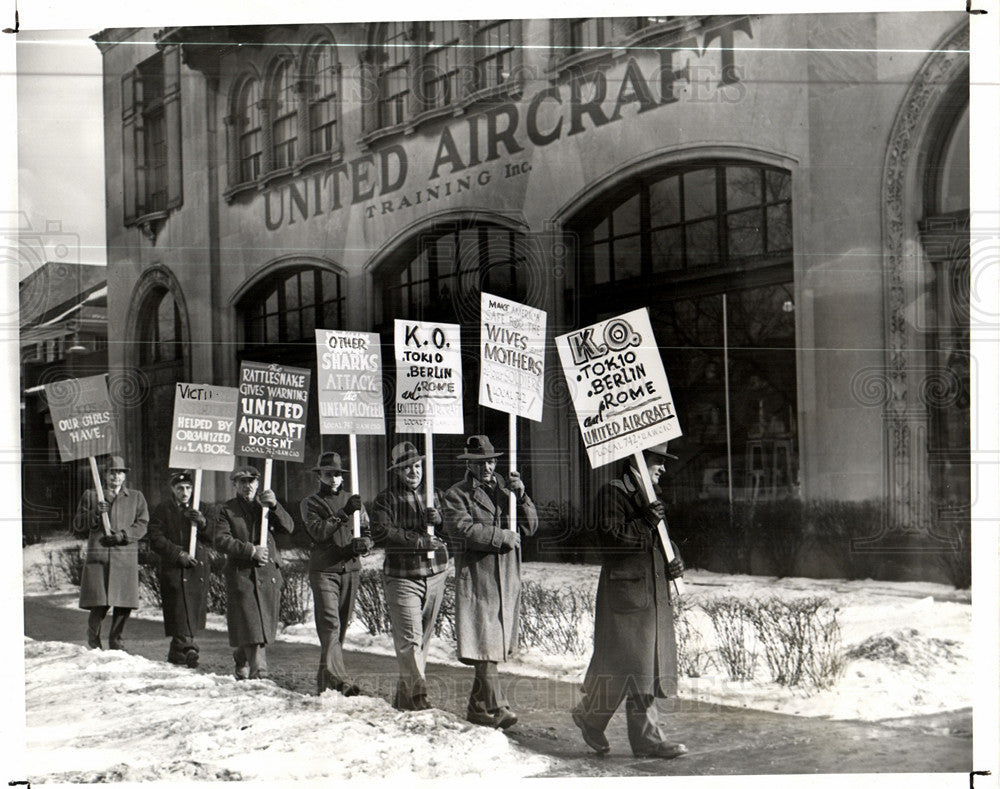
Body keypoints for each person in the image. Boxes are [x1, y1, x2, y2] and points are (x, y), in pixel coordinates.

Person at [571, 443, 687, 759]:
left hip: (647, 594)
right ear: (638, 460)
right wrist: (646, 523)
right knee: (633, 667)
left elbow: (662, 542)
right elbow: (612, 541)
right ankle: (646, 738)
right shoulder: (614, 493)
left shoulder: (649, 498)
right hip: (625, 596)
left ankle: (592, 717)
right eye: (657, 461)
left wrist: (674, 558)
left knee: (634, 668)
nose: (662, 468)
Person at [442, 435, 538, 729]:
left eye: (491, 460)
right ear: (469, 463)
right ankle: (498, 706)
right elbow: (461, 530)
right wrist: (501, 537)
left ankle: (477, 708)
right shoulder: (456, 494)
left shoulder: (507, 490)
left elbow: (531, 527)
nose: (487, 466)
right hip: (478, 576)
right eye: (480, 462)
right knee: (484, 642)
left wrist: (521, 497)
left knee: (492, 644)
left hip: (506, 576)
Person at [370, 441, 449, 711]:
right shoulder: (386, 499)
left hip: (436, 574)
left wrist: (440, 521)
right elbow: (381, 533)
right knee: (409, 641)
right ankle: (419, 698)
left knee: (421, 641)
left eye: (417, 466)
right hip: (403, 577)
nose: (414, 472)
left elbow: (452, 532)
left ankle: (404, 700)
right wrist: (418, 541)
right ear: (397, 471)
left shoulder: (435, 495)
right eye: (407, 468)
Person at [300, 451, 372, 696]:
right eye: (329, 474)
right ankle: (342, 682)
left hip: (350, 570)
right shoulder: (311, 503)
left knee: (339, 630)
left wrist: (364, 545)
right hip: (324, 571)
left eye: (338, 475)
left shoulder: (353, 499)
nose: (333, 479)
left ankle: (324, 685)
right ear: (319, 475)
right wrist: (343, 514)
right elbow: (318, 532)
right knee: (330, 625)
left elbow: (367, 530)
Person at [214, 465, 294, 680]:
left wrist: (275, 506)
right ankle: (260, 675)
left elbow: (289, 527)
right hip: (242, 574)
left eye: (251, 481)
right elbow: (221, 540)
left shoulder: (266, 506)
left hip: (268, 572)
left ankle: (241, 656)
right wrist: (250, 550)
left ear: (258, 483)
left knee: (262, 625)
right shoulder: (227, 510)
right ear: (235, 485)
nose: (247, 486)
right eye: (242, 482)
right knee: (253, 625)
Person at [71, 455, 149, 651]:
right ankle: (93, 640)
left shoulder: (136, 497)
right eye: (111, 472)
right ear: (104, 475)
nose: (116, 476)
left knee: (124, 603)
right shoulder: (92, 495)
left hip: (124, 556)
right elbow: (78, 525)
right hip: (100, 556)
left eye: (120, 472)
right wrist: (95, 512)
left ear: (125, 476)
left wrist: (123, 536)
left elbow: (142, 524)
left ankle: (116, 641)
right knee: (99, 601)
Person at [147, 469, 213, 668]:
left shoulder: (203, 508)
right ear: (173, 490)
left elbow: (215, 536)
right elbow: (155, 537)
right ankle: (189, 648)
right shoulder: (163, 509)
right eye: (180, 488)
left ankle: (178, 652)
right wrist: (177, 553)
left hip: (196, 566)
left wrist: (203, 523)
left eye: (188, 488)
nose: (185, 492)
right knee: (177, 607)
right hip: (174, 566)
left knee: (192, 607)